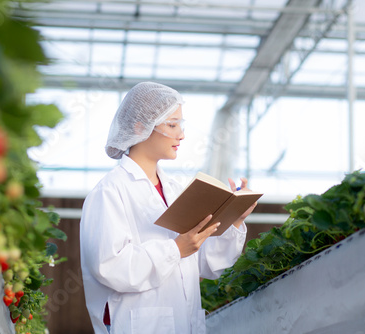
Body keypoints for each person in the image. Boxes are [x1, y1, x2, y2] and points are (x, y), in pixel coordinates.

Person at [79, 82, 257, 334]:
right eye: (172, 125)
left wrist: (234, 219)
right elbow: (110, 267)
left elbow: (208, 264)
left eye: (180, 126)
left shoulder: (174, 191)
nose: (181, 135)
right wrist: (175, 249)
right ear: (141, 127)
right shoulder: (109, 192)